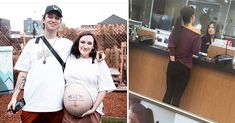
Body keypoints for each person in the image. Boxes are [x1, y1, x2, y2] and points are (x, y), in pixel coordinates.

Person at [7, 5, 105, 123]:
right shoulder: (31, 44)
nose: (53, 20)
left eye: (57, 18)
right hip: (32, 104)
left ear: (60, 22)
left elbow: (85, 50)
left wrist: (99, 54)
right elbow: (23, 73)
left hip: (56, 106)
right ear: (43, 19)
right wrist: (14, 97)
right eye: (50, 16)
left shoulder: (67, 45)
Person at [62, 31, 116, 123]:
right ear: (77, 43)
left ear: (93, 46)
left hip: (90, 114)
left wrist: (93, 109)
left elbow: (103, 88)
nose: (85, 46)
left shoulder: (99, 61)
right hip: (67, 114)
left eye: (89, 43)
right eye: (82, 42)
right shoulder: (69, 58)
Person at [162, 6, 201, 107]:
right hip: (185, 67)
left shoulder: (177, 29)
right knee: (177, 96)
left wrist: (173, 60)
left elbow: (171, 46)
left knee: (168, 92)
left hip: (172, 65)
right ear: (192, 17)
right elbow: (196, 51)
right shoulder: (196, 33)